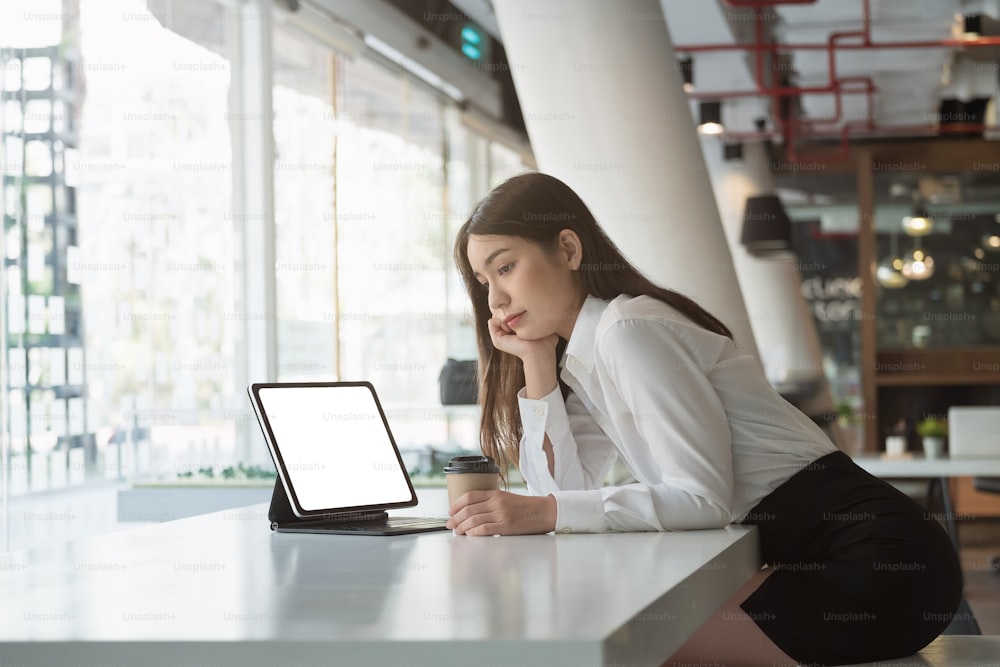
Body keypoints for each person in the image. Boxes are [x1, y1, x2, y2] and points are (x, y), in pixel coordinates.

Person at [445, 171, 963, 667]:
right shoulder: (588, 358)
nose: (495, 299)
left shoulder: (630, 332)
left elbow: (700, 498)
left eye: (505, 267)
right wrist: (536, 363)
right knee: (607, 625)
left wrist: (542, 513)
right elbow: (560, 491)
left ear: (569, 249)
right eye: (484, 280)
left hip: (877, 566)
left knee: (619, 640)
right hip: (827, 562)